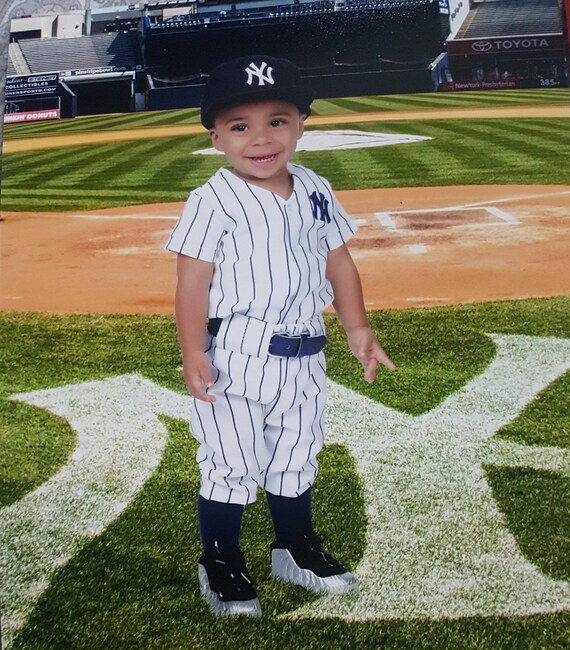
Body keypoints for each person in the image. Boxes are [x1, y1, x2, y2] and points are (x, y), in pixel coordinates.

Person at [166, 54, 395, 617]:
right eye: (240, 125)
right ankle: (219, 559)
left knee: (296, 455)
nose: (261, 138)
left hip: (305, 354)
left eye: (277, 119)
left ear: (300, 123)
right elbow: (192, 282)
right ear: (216, 136)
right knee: (231, 460)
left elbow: (339, 262)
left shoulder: (315, 186)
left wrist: (358, 328)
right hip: (238, 355)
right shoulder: (213, 199)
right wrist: (193, 351)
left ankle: (293, 548)